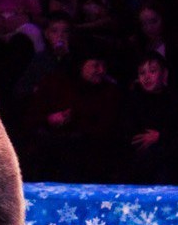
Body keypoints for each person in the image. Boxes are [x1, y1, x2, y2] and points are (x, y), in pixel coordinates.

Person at [22, 53, 124, 182]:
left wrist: (77, 120)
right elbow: (31, 118)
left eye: (104, 65)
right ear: (81, 65)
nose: (101, 70)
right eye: (96, 65)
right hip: (51, 147)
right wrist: (49, 119)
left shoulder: (109, 91)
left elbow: (108, 127)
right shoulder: (54, 83)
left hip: (89, 152)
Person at [119, 51, 178, 185]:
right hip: (139, 163)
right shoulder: (132, 101)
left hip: (170, 163)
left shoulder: (176, 100)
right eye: (142, 73)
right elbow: (128, 136)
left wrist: (161, 137)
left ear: (164, 74)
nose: (147, 77)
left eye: (152, 71)